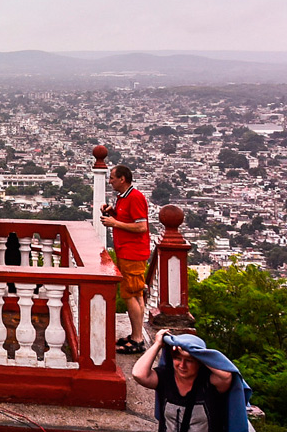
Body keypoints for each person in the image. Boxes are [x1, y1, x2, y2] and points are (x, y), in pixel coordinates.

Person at [132, 329, 251, 432]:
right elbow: (138, 374)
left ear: (199, 363)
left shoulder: (209, 382)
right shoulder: (165, 378)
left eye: (189, 361)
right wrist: (157, 344)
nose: (182, 365)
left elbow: (226, 376)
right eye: (178, 359)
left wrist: (195, 352)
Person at [100, 164, 150, 354]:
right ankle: (136, 333)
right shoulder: (123, 197)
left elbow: (141, 227)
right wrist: (113, 213)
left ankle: (137, 338)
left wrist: (114, 222)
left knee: (130, 294)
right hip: (126, 250)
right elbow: (129, 220)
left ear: (123, 179)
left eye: (112, 178)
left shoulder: (135, 197)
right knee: (135, 293)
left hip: (133, 252)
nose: (110, 181)